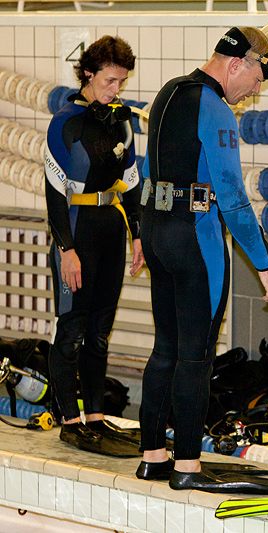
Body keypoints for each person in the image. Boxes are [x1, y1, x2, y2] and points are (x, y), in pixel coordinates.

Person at [134, 27, 268, 493]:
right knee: (196, 357)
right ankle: (187, 467)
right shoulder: (215, 106)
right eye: (259, 78)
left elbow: (147, 169)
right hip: (193, 237)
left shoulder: (166, 92)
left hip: (158, 230)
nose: (256, 90)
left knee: (166, 349)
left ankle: (153, 457)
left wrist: (141, 233)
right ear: (237, 63)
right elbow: (233, 198)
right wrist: (265, 263)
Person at [45, 36, 143, 456]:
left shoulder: (121, 120)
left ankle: (97, 418)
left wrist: (138, 234)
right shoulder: (65, 121)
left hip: (110, 227)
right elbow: (52, 193)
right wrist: (66, 249)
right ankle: (70, 420)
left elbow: (133, 181)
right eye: (109, 80)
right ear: (88, 73)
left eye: (121, 81)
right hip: (76, 230)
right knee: (72, 330)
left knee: (100, 332)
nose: (115, 89)